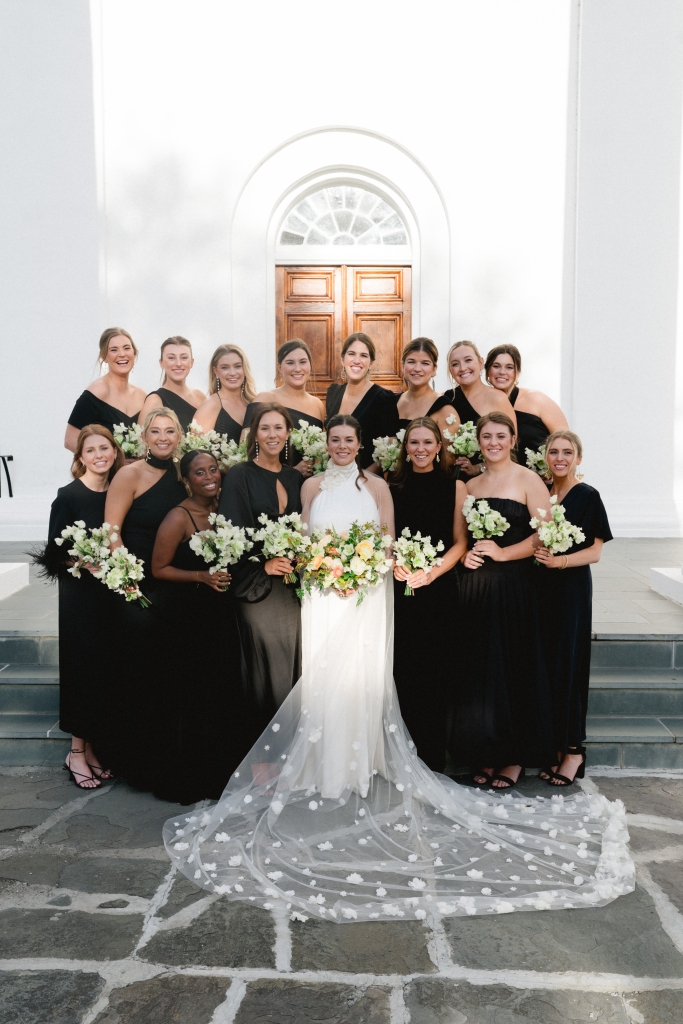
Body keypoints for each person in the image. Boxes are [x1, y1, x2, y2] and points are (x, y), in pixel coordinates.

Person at [164, 413, 634, 925]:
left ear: (361, 444)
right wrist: (325, 569)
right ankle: (321, 764)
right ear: (325, 445)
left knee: (364, 673)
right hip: (323, 594)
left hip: (366, 592)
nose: (342, 445)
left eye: (350, 439)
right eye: (335, 439)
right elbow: (300, 540)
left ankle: (364, 760)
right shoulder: (311, 487)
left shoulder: (380, 485)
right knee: (323, 672)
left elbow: (386, 538)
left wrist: (362, 571)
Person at [450, 411, 555, 790]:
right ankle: (485, 753)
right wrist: (467, 556)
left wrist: (502, 553)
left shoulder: (529, 479)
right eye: (486, 436)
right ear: (478, 441)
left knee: (512, 666)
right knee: (480, 670)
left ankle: (512, 759)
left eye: (500, 436)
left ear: (513, 440)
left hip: (515, 587)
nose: (493, 442)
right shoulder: (470, 483)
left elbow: (545, 534)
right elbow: (461, 537)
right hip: (477, 589)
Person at [35, 426, 125, 788]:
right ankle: (74, 752)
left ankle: (90, 750)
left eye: (105, 448)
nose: (100, 455)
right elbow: (52, 556)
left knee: (104, 671)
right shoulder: (68, 496)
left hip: (112, 595)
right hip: (81, 599)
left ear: (115, 451)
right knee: (82, 671)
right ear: (81, 457)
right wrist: (84, 562)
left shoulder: (117, 491)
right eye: (92, 450)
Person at [152, 450, 244, 802]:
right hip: (188, 619)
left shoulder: (224, 510)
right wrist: (200, 576)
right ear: (186, 480)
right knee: (193, 694)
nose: (209, 476)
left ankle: (221, 774)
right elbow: (159, 568)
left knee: (221, 693)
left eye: (213, 470)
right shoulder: (178, 517)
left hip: (222, 615)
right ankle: (191, 777)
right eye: (199, 472)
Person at [102, 408, 186, 789]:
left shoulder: (183, 475)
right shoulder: (129, 474)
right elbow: (112, 531)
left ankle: (166, 758)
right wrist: (127, 580)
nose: (164, 437)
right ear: (145, 436)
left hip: (173, 585)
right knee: (138, 671)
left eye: (170, 431)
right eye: (156, 431)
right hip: (136, 588)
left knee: (170, 674)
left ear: (180, 436)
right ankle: (134, 761)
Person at [219, 403, 303, 743]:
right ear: (255, 434)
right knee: (262, 672)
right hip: (255, 587)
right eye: (265, 428)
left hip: (291, 588)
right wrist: (263, 563)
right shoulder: (240, 474)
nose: (272, 435)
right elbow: (231, 534)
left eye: (278, 428)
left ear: (288, 434)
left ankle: (289, 756)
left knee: (293, 668)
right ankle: (261, 762)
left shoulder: (296, 477)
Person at [390, 418, 467, 770]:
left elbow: (460, 542)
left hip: (439, 590)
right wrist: (396, 565)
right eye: (414, 443)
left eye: (427, 443)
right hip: (402, 588)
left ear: (439, 447)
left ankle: (433, 758)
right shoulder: (391, 485)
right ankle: (404, 755)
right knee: (404, 670)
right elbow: (386, 536)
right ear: (405, 448)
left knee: (436, 671)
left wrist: (432, 572)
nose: (420, 449)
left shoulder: (455, 486)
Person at [535, 431, 612, 787]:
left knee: (570, 665)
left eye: (568, 452)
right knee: (548, 665)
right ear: (546, 456)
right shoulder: (544, 494)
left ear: (579, 458)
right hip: (542, 590)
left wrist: (561, 562)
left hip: (571, 591)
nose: (560, 458)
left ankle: (574, 751)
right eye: (554, 452)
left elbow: (595, 551)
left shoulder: (588, 495)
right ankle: (552, 746)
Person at [242, 340, 324, 476]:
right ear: (279, 367)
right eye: (290, 363)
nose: (297, 368)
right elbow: (246, 449)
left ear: (310, 365)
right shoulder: (264, 399)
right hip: (270, 481)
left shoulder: (318, 405)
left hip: (307, 485)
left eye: (303, 362)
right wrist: (290, 473)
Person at [326, 332, 400, 472]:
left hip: (365, 480)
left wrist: (363, 478)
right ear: (342, 359)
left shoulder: (383, 398)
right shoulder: (333, 393)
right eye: (351, 354)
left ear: (371, 362)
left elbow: (390, 450)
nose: (356, 360)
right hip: (333, 476)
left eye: (364, 355)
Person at [65, 328, 146, 452]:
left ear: (134, 353)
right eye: (114, 350)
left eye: (126, 348)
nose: (122, 354)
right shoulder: (97, 392)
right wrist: (109, 461)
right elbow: (70, 440)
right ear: (104, 356)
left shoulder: (142, 396)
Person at [485, 344, 568, 465]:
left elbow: (567, 441)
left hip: (540, 480)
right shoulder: (481, 403)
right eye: (496, 366)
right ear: (487, 371)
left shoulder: (537, 399)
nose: (502, 372)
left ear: (517, 372)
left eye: (509, 367)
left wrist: (551, 472)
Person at [443, 341, 516, 478]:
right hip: (454, 479)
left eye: (468, 360)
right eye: (455, 364)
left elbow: (511, 447)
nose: (463, 368)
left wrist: (478, 468)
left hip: (492, 478)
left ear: (481, 362)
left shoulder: (498, 398)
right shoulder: (446, 400)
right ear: (450, 371)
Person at [395, 338, 458, 439]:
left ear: (434, 369)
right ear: (403, 366)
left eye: (425, 363)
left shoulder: (444, 409)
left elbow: (449, 454)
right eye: (411, 362)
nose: (417, 369)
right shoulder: (391, 402)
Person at [138, 336, 206, 431]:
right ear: (161, 363)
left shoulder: (200, 396)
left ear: (191, 362)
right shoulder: (154, 400)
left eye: (184, 357)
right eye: (171, 358)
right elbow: (142, 441)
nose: (178, 363)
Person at [193, 344, 257, 443]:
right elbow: (196, 453)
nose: (232, 372)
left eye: (238, 366)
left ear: (245, 369)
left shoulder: (255, 403)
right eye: (225, 367)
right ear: (216, 371)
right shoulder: (210, 405)